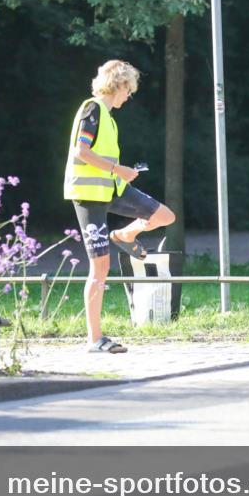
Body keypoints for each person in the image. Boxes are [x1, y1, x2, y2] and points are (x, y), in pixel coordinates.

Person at [64, 60, 175, 353]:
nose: (130, 95)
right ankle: (95, 339)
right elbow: (81, 152)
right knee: (100, 267)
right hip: (89, 195)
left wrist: (121, 174)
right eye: (129, 89)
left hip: (112, 190)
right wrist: (118, 169)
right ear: (120, 84)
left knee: (164, 215)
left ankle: (125, 235)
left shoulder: (109, 117)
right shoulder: (93, 109)